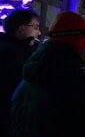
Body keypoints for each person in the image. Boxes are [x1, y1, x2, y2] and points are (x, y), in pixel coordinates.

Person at [0, 8, 41, 137]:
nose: (39, 32)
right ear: (22, 28)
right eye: (35, 27)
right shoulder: (14, 52)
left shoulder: (7, 45)